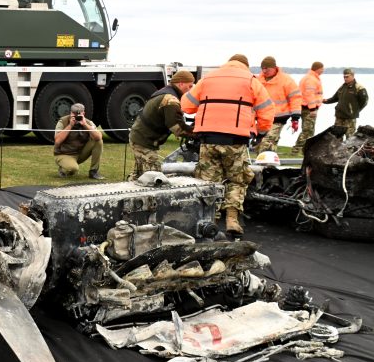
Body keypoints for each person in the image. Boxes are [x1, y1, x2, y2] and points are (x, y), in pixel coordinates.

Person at [181, 54, 275, 238]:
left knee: (209, 182)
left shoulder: (208, 78)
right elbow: (266, 110)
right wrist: (261, 132)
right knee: (237, 179)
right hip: (235, 140)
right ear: (245, 66)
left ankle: (210, 221)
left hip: (207, 139)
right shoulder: (250, 81)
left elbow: (186, 105)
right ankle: (232, 219)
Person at [127, 70, 194, 179]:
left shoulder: (165, 93)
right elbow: (177, 127)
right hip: (144, 141)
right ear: (181, 83)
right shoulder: (170, 99)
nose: (191, 90)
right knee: (154, 179)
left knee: (139, 175)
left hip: (139, 137)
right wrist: (196, 133)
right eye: (189, 86)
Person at [254, 56, 302, 154]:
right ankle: (268, 165)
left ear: (274, 67)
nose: (264, 70)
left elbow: (295, 98)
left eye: (267, 68)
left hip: (279, 117)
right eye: (262, 68)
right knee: (259, 145)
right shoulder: (258, 80)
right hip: (262, 118)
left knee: (267, 142)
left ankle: (267, 164)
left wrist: (295, 118)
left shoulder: (286, 80)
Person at [53, 102, 103, 179]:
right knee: (73, 169)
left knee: (98, 141)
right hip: (64, 153)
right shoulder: (63, 121)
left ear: (84, 113)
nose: (76, 117)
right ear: (71, 113)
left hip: (80, 153)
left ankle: (93, 171)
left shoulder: (88, 122)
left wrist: (85, 125)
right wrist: (70, 125)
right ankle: (63, 169)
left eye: (79, 115)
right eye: (74, 114)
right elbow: (57, 141)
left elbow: (98, 137)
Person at [323, 68, 368, 139]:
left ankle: (348, 150)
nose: (345, 78)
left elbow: (364, 102)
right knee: (336, 137)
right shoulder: (342, 87)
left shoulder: (359, 88)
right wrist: (324, 101)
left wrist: (355, 110)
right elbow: (334, 98)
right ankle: (337, 150)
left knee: (349, 138)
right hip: (339, 116)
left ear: (353, 76)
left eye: (347, 77)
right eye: (344, 77)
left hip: (350, 118)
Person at [295, 61, 325, 154]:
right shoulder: (311, 79)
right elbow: (309, 95)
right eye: (322, 68)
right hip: (308, 108)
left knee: (308, 129)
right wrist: (313, 109)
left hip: (306, 107)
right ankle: (298, 149)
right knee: (308, 130)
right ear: (318, 68)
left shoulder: (310, 78)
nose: (323, 70)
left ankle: (303, 149)